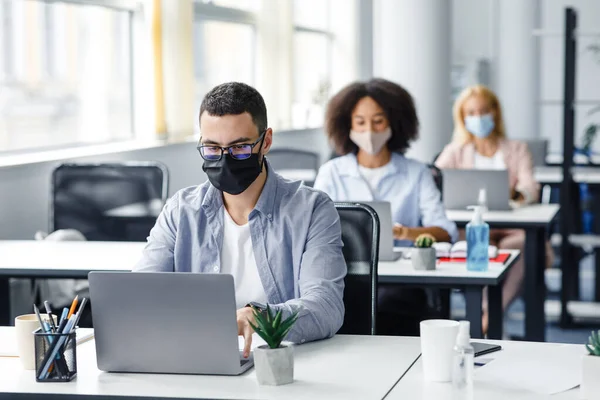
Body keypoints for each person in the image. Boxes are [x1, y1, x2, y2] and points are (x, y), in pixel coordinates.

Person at [134, 82, 346, 357]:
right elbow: (140, 294)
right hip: (197, 355)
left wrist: (256, 318)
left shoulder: (312, 209)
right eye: (212, 148)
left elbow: (326, 307)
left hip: (279, 358)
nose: (225, 159)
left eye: (240, 148)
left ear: (266, 142)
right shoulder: (180, 210)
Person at [313, 78, 458, 335]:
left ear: (394, 121)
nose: (369, 130)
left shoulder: (416, 173)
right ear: (347, 125)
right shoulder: (331, 173)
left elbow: (446, 231)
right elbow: (314, 229)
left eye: (378, 121)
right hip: (346, 276)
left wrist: (406, 234)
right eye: (360, 122)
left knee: (390, 309)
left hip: (401, 284)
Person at [435, 84, 553, 333]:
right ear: (463, 118)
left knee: (519, 246)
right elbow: (434, 180)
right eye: (471, 112)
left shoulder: (517, 148)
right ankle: (489, 317)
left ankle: (488, 315)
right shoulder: (455, 151)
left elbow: (532, 186)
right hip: (472, 227)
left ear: (495, 113)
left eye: (483, 110)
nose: (478, 117)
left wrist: (517, 192)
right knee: (477, 247)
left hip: (513, 228)